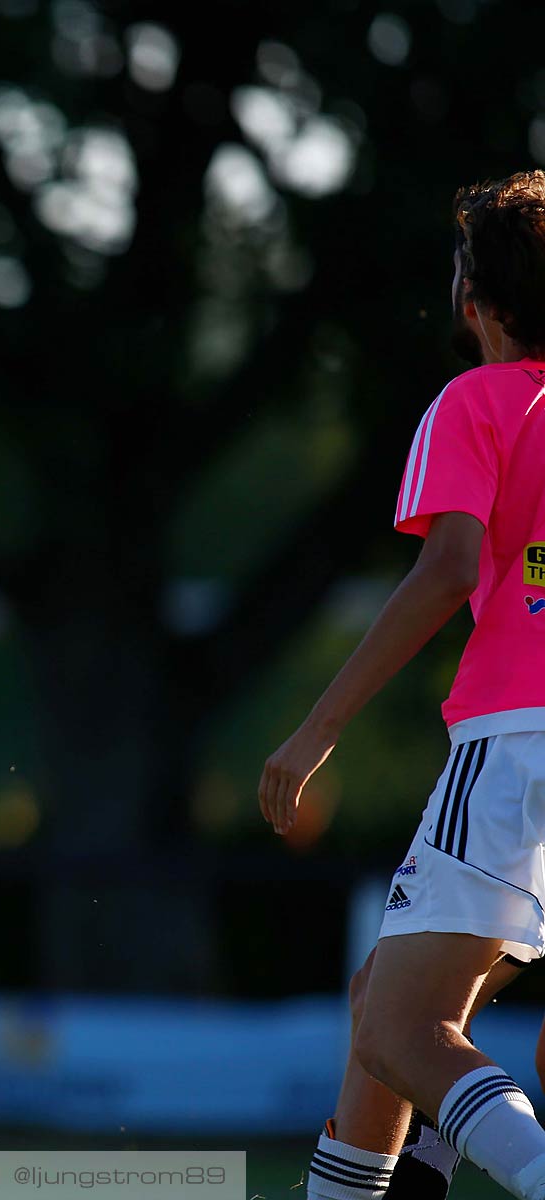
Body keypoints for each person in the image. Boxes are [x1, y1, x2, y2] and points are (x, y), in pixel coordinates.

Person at [262, 170, 545, 1200]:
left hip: (520, 742)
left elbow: (451, 568)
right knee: (387, 994)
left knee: (399, 1025)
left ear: (476, 298)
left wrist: (316, 728)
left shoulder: (478, 402)